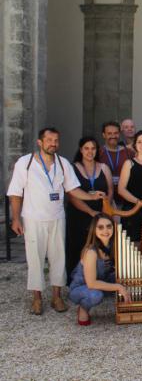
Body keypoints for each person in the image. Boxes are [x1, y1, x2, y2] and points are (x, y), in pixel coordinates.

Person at [8, 127, 105, 315]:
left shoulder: (62, 164)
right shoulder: (25, 163)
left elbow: (72, 189)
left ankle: (56, 296)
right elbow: (15, 193)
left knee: (58, 258)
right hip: (33, 218)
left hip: (57, 217)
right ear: (40, 142)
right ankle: (37, 299)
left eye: (56, 141)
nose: (53, 144)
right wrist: (15, 219)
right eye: (49, 140)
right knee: (35, 259)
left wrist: (91, 197)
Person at [68, 214, 134, 326]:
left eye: (109, 226)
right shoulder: (91, 252)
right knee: (96, 295)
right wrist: (118, 287)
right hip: (83, 287)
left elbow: (128, 265)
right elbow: (91, 283)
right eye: (100, 227)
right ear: (94, 230)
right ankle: (83, 308)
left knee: (130, 277)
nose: (106, 230)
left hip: (102, 280)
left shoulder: (114, 246)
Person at [66, 137, 113, 282]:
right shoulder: (73, 168)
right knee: (79, 246)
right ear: (81, 150)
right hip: (79, 214)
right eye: (86, 148)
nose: (90, 151)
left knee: (100, 247)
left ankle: (98, 278)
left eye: (93, 148)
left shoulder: (104, 167)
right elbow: (72, 195)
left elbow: (110, 190)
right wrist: (90, 212)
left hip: (101, 215)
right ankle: (77, 280)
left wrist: (105, 209)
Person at [99, 121, 133, 205]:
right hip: (104, 200)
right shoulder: (98, 153)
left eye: (116, 133)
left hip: (126, 200)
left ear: (119, 134)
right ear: (103, 135)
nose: (113, 136)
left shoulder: (129, 153)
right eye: (109, 133)